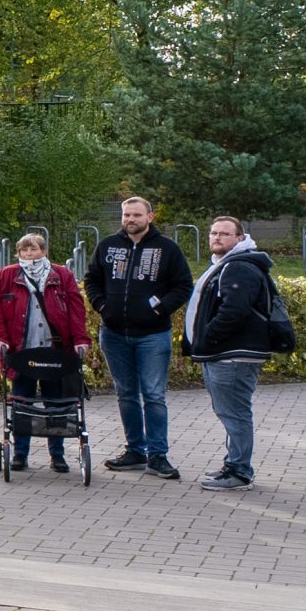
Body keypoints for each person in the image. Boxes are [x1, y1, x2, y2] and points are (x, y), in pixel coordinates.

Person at [87, 195, 194, 479]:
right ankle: (135, 450)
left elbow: (183, 285)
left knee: (154, 395)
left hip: (153, 336)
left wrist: (159, 309)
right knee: (126, 394)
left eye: (136, 215)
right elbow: (92, 280)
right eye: (126, 215)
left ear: (150, 217)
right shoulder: (107, 245)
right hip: (113, 334)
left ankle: (158, 456)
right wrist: (102, 306)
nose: (130, 220)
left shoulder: (167, 249)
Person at [0, 231, 88, 475]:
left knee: (56, 405)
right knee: (22, 403)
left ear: (44, 251)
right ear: (18, 252)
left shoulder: (62, 275)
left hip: (55, 352)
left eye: (34, 249)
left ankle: (57, 455)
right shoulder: (6, 276)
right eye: (24, 250)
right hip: (22, 352)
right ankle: (20, 454)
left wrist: (81, 340)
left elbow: (76, 309)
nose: (29, 254)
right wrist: (0, 338)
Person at [187, 216, 279, 492]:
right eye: (213, 232)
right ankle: (234, 464)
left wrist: (208, 337)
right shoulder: (227, 264)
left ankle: (239, 471)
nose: (217, 237)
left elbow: (234, 311)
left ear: (240, 238)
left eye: (225, 233)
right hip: (226, 352)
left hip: (232, 354)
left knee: (235, 413)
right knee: (230, 412)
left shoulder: (239, 266)